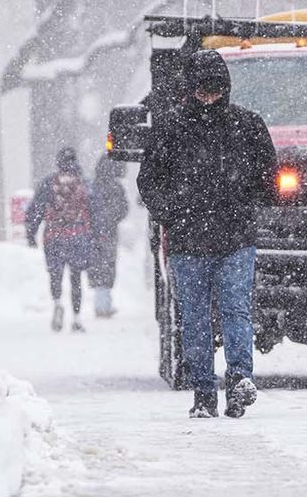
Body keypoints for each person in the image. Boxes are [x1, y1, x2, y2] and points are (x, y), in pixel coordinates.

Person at [137, 48, 278, 419]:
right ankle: (204, 390)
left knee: (231, 311)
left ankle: (237, 382)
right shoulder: (172, 129)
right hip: (193, 241)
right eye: (202, 89)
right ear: (190, 88)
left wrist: (246, 200)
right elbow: (149, 181)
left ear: (225, 88)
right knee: (199, 317)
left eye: (214, 88)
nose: (208, 96)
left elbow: (269, 178)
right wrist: (171, 212)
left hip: (229, 238)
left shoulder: (245, 126)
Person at [26, 147, 94, 333]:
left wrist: (31, 233)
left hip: (53, 236)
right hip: (77, 236)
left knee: (55, 275)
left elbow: (36, 209)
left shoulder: (49, 183)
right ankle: (77, 318)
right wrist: (96, 235)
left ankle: (57, 303)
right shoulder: (85, 184)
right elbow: (95, 210)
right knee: (76, 277)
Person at [88, 152, 129, 317]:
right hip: (110, 233)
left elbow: (87, 209)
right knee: (108, 265)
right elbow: (124, 209)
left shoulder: (92, 186)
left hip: (93, 233)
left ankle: (100, 303)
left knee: (97, 266)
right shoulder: (116, 187)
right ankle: (104, 304)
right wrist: (112, 220)